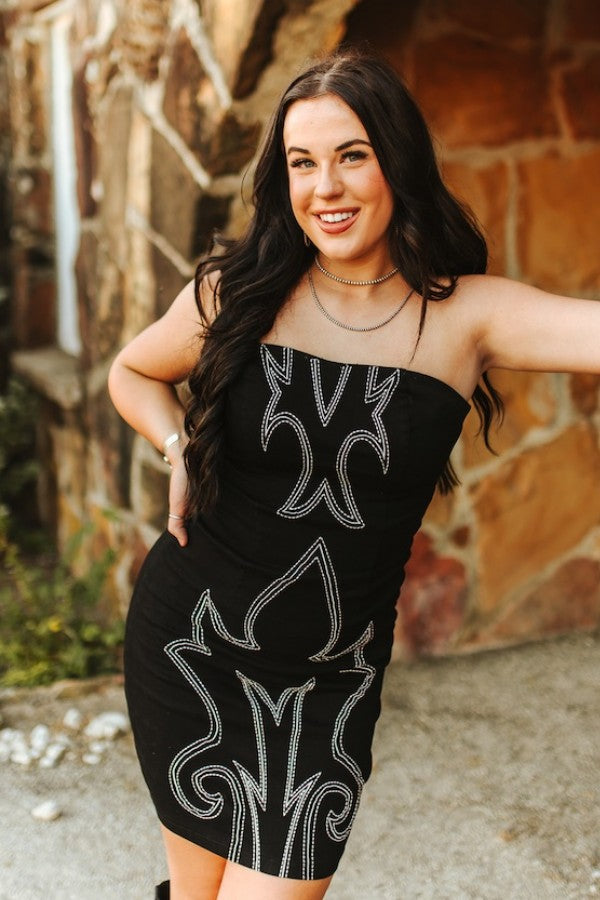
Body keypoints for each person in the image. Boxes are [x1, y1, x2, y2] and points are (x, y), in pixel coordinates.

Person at [108, 49, 600, 900]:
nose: (325, 187)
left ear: (395, 161)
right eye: (302, 163)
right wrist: (173, 444)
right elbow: (132, 370)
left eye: (351, 156)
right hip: (189, 645)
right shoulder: (239, 292)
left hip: (326, 685)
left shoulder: (466, 315)